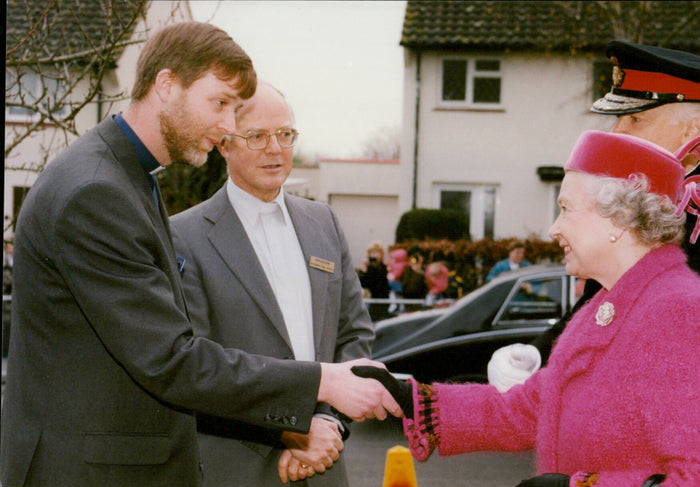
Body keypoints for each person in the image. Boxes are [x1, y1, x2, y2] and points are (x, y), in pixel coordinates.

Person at [0, 22, 400, 487]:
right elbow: (171, 359)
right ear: (166, 86)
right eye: (220, 103)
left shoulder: (126, 177)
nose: (228, 125)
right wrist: (323, 382)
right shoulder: (97, 191)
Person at [356, 130, 700, 486]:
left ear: (617, 219)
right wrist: (412, 398)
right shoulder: (608, 303)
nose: (553, 228)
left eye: (565, 209)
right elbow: (531, 407)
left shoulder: (683, 316)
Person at [492, 41, 700, 485]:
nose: (618, 132)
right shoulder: (628, 213)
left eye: (636, 119)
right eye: (619, 117)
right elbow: (597, 313)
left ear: (693, 126)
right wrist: (537, 353)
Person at [170, 81, 375, 486]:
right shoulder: (182, 236)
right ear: (224, 144)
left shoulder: (324, 223)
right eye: (257, 136)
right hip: (238, 468)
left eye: (285, 134)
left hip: (326, 465)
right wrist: (292, 430)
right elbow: (195, 367)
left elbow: (355, 333)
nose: (274, 148)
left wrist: (327, 425)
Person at [357, 240, 391, 321]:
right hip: (372, 302)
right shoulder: (368, 268)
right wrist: (364, 268)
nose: (375, 255)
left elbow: (381, 282)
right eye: (373, 252)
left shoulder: (384, 268)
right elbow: (363, 284)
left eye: (377, 252)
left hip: (383, 302)